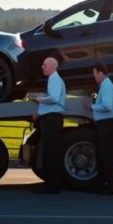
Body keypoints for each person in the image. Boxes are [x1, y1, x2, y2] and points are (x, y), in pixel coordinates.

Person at [31, 56, 66, 194]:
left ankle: (52, 186)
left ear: (52, 66)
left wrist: (37, 99)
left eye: (44, 64)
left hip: (52, 120)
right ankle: (51, 184)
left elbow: (53, 99)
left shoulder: (54, 79)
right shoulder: (54, 79)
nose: (42, 67)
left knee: (51, 152)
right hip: (52, 118)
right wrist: (39, 113)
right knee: (50, 152)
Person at [89, 63, 113, 195]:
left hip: (106, 124)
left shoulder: (106, 86)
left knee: (106, 156)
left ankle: (109, 186)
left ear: (100, 73)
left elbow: (107, 106)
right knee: (102, 155)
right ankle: (103, 184)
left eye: (94, 73)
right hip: (105, 124)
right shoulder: (104, 85)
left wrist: (91, 107)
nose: (94, 76)